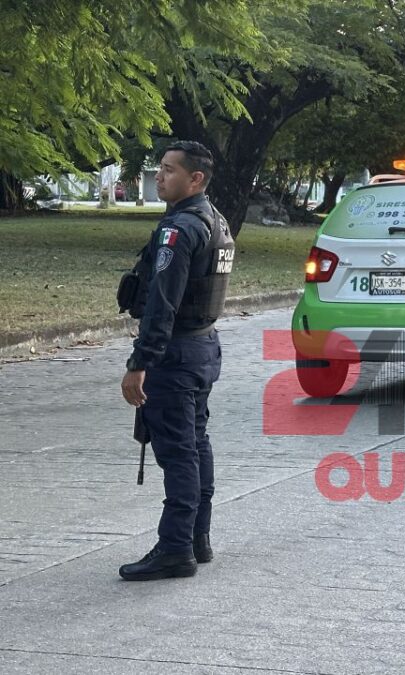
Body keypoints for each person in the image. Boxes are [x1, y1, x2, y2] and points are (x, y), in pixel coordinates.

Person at [118, 141, 236, 580]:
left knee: (178, 452)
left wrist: (139, 363)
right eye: (160, 168)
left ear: (195, 179)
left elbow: (161, 305)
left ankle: (174, 549)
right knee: (195, 444)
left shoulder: (181, 229)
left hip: (176, 353)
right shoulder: (216, 220)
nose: (160, 176)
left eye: (168, 170)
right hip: (203, 347)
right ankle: (195, 539)